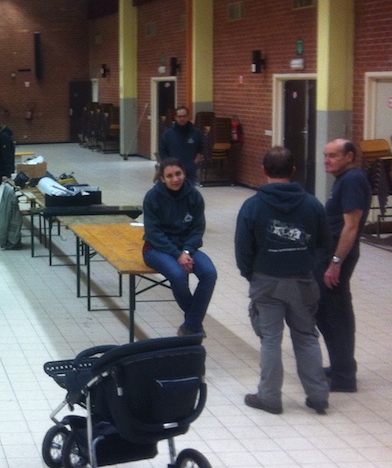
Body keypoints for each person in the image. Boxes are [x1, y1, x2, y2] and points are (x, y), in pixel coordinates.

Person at [236, 146, 331, 415]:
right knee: (306, 337)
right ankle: (318, 396)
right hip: (302, 282)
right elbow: (325, 245)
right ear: (293, 170)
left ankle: (269, 398)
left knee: (270, 340)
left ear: (263, 170)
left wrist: (252, 275)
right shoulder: (312, 204)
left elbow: (243, 250)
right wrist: (308, 267)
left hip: (266, 281)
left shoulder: (253, 206)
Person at [315, 138, 370, 393]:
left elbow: (351, 227)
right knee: (336, 312)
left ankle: (344, 376)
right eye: (325, 155)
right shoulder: (344, 179)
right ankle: (342, 365)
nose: (327, 160)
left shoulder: (352, 180)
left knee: (332, 314)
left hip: (337, 255)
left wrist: (335, 263)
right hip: (333, 253)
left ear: (349, 157)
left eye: (333, 155)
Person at [142, 158, 217, 335]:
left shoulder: (194, 196)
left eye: (178, 174)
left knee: (209, 273)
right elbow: (153, 233)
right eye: (169, 176)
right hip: (156, 248)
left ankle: (190, 325)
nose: (175, 179)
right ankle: (194, 323)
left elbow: (198, 229)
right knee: (178, 275)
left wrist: (187, 251)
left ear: (184, 174)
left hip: (186, 248)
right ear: (162, 178)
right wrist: (177, 254)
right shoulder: (152, 197)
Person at [159, 106, 206, 185]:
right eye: (179, 116)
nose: (182, 119)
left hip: (190, 172)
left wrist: (195, 162)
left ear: (188, 117)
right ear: (175, 117)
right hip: (173, 173)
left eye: (184, 116)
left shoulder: (196, 133)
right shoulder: (168, 134)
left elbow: (202, 147)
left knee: (189, 191)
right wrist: (168, 164)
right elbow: (162, 150)